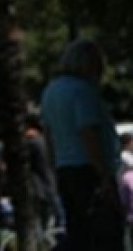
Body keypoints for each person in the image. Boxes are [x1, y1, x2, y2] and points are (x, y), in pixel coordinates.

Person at [40, 39, 124, 249]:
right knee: (105, 232)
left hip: (65, 169)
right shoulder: (83, 91)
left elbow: (49, 135)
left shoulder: (51, 91)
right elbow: (88, 133)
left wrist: (54, 169)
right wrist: (103, 176)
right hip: (89, 170)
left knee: (78, 231)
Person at [24, 116, 61, 230]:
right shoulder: (46, 141)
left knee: (40, 222)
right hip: (52, 185)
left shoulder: (31, 143)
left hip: (38, 188)